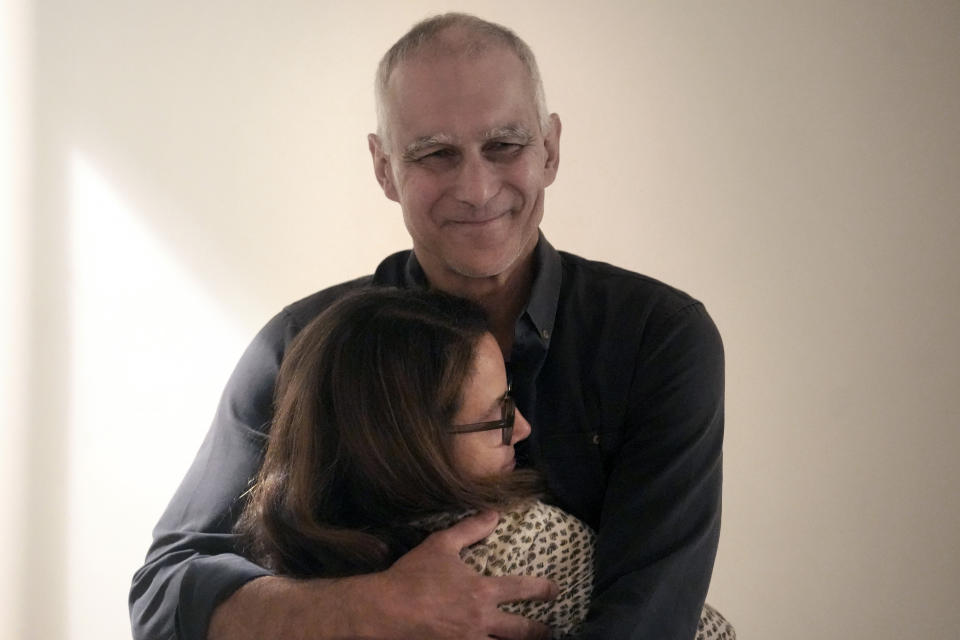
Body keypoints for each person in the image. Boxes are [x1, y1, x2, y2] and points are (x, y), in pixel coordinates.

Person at [130, 12, 725, 640]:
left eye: (505, 145)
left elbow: (650, 619)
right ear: (384, 168)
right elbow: (166, 597)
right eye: (435, 154)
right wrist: (371, 608)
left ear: (549, 149)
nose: (476, 188)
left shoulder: (658, 338)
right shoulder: (303, 345)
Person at [235, 287, 595, 638]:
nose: (523, 428)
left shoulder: (276, 563)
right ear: (407, 445)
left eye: (510, 400)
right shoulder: (514, 543)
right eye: (498, 416)